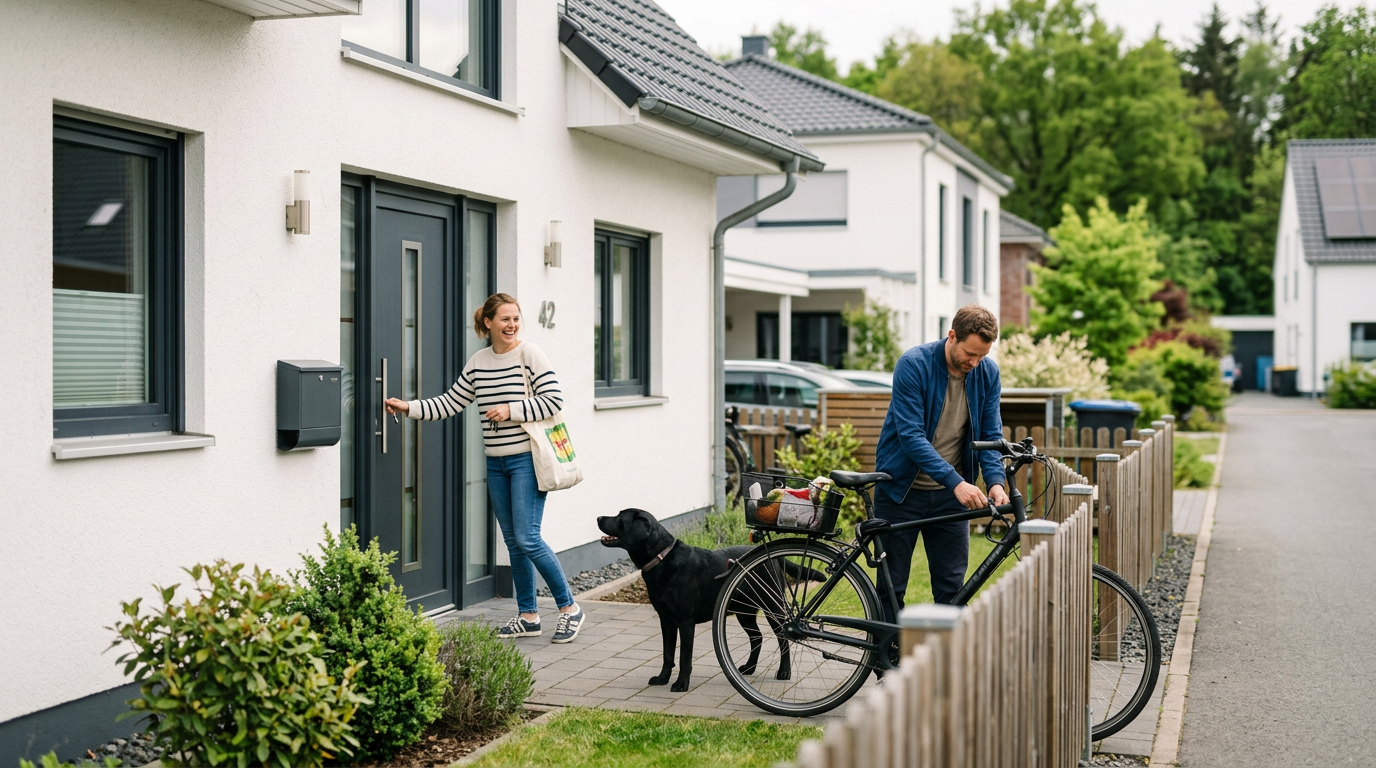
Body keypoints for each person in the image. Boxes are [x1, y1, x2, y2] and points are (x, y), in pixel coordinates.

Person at [385, 294, 586, 643]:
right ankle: (528, 616)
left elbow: (554, 400)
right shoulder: (479, 362)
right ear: (488, 323)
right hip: (496, 463)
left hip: (526, 460)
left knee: (528, 537)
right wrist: (409, 407)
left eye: (516, 318)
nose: (512, 325)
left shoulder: (529, 354)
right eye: (505, 319)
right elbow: (450, 402)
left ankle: (570, 608)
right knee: (513, 541)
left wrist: (511, 409)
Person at [872, 304, 1008, 607]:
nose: (975, 362)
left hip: (950, 499)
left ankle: (947, 642)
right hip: (901, 492)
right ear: (952, 336)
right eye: (970, 354)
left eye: (982, 355)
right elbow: (911, 436)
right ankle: (887, 641)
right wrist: (956, 482)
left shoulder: (988, 373)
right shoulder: (913, 365)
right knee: (890, 591)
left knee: (952, 591)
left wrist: (995, 481)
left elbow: (989, 435)